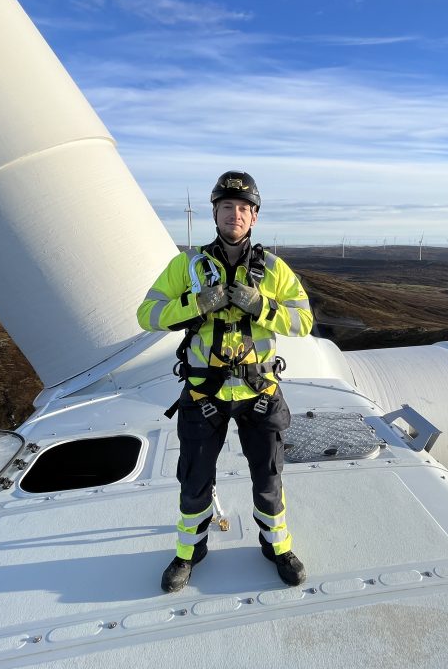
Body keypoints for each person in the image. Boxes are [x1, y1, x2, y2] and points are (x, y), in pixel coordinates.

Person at [137, 171, 313, 593]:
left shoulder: (273, 268)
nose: (235, 214)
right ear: (214, 214)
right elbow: (148, 314)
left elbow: (303, 321)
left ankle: (276, 546)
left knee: (268, 478)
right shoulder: (187, 266)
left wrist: (262, 305)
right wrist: (196, 303)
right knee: (195, 478)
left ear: (254, 217)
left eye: (243, 208)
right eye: (227, 207)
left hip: (259, 393)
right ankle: (189, 551)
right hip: (204, 393)